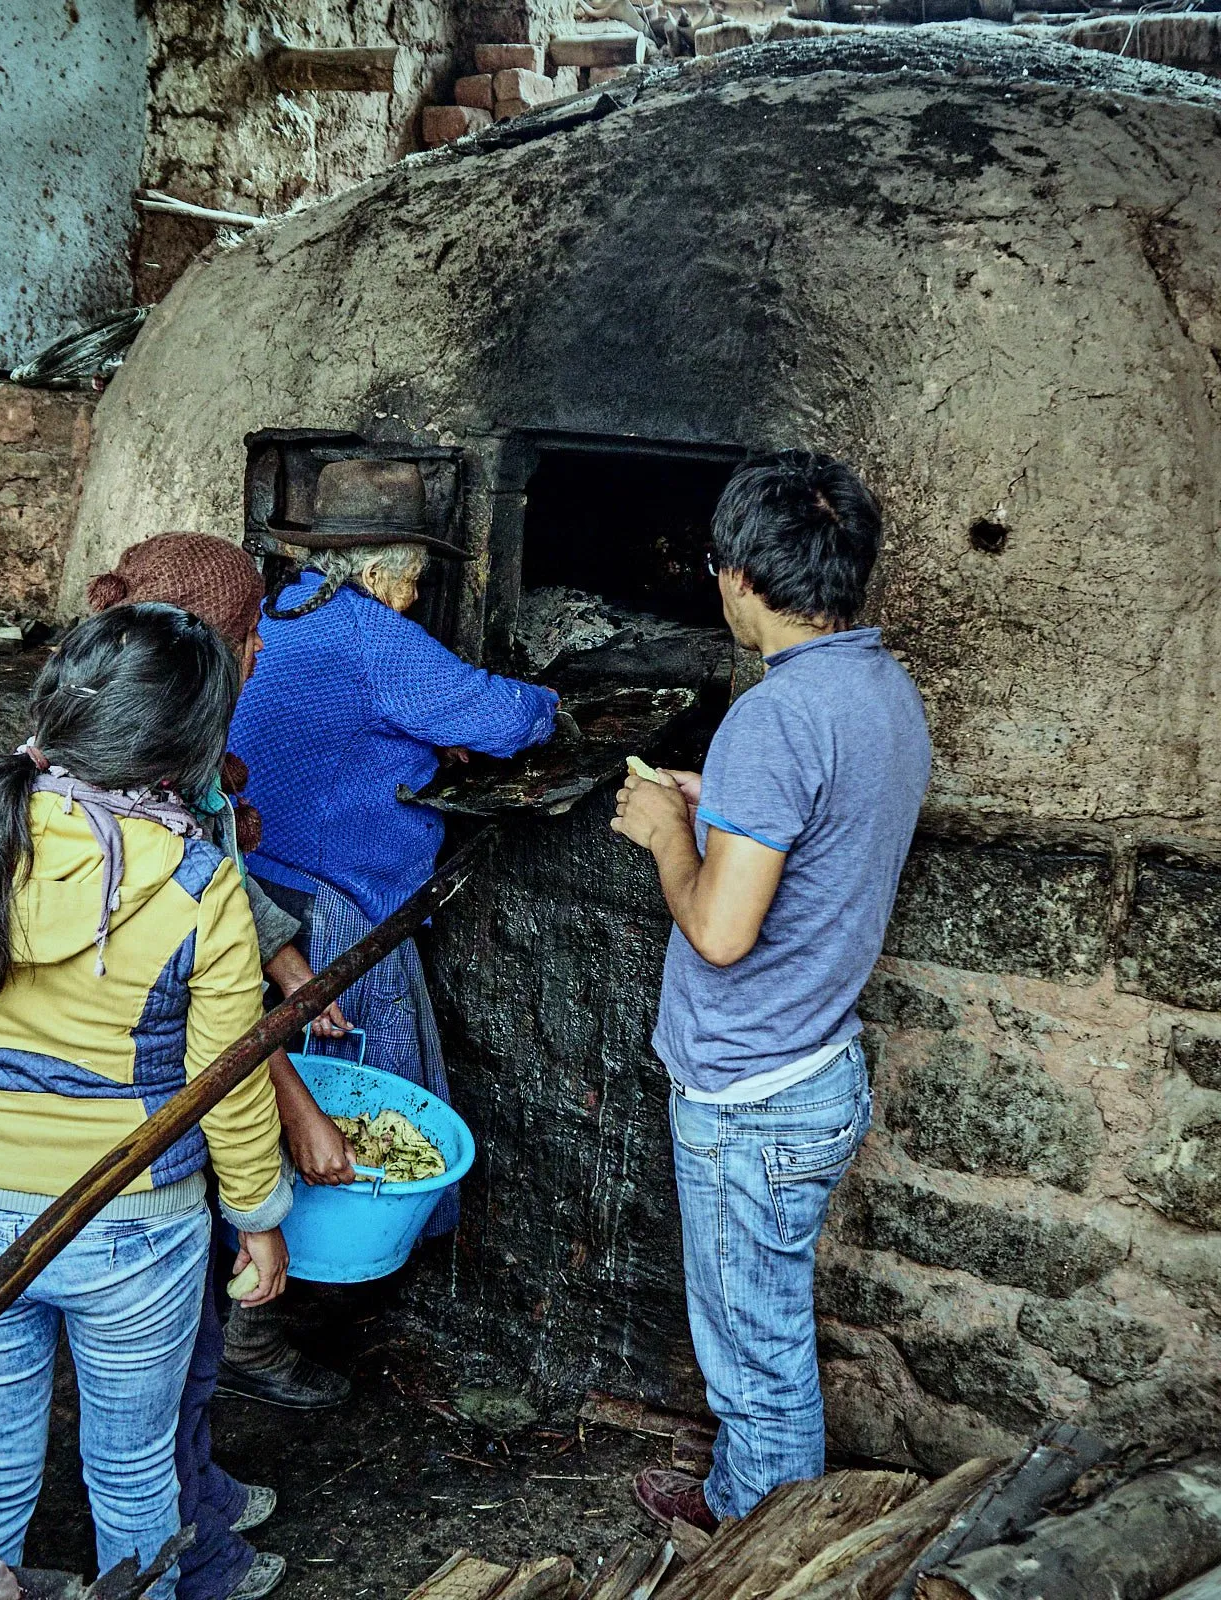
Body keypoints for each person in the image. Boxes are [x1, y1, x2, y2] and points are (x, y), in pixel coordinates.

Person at [0, 604, 292, 1589]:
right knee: (136, 1476)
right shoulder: (196, 882)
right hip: (136, 1225)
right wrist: (262, 1217)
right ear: (187, 747)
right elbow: (225, 1087)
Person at [610, 451, 931, 1533]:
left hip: (751, 1095)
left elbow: (718, 927)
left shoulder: (773, 717)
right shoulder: (879, 687)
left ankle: (761, 1540)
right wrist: (722, 809)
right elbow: (816, 839)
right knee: (763, 1329)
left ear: (740, 577)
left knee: (757, 1356)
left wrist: (664, 833)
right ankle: (747, 1500)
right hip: (815, 1064)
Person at [86, 532, 361, 1600]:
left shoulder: (172, 749)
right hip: (146, 1103)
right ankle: (189, 1542)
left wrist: (292, 960)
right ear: (211, 650)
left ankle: (193, 1483)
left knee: (187, 1338)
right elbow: (209, 997)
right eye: (249, 637)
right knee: (164, 1351)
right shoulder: (138, 779)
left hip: (173, 1091)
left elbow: (227, 887)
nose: (259, 658)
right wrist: (293, 1104)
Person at [231, 458, 560, 1244]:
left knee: (261, 1092)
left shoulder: (275, 611)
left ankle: (262, 1246)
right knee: (357, 1093)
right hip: (329, 908)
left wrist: (421, 733)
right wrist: (550, 700)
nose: (414, 599)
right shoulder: (370, 631)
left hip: (253, 886)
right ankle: (341, 1253)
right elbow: (505, 719)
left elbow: (341, 725)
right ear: (379, 570)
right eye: (411, 581)